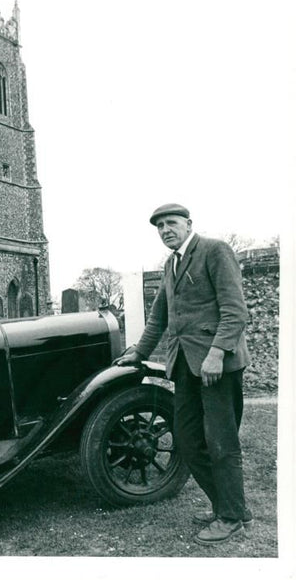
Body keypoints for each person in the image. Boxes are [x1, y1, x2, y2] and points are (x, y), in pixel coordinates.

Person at [115, 203, 251, 546]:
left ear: (188, 223)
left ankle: (231, 517)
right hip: (185, 367)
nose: (165, 230)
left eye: (171, 223)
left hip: (217, 366)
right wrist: (139, 353)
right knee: (189, 441)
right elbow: (159, 316)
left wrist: (217, 353)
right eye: (159, 226)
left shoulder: (214, 251)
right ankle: (227, 505)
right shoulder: (171, 265)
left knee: (221, 443)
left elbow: (235, 311)